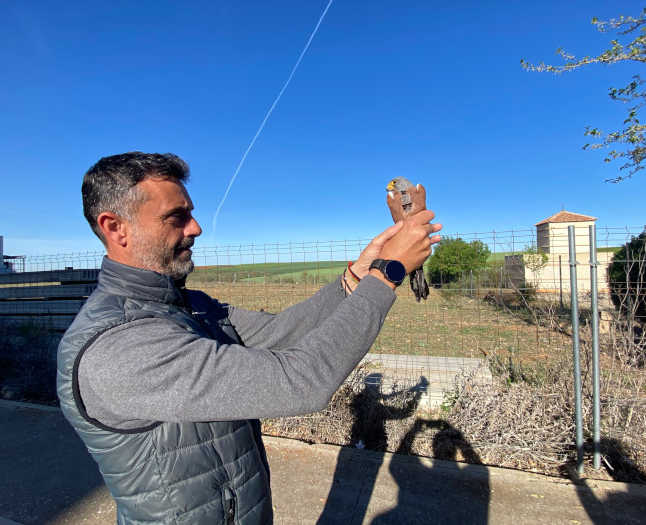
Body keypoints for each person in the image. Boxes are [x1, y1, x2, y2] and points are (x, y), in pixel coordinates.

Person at [56, 151, 442, 525]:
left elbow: (279, 333)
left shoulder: (190, 306)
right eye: (177, 216)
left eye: (191, 212)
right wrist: (387, 273)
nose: (196, 227)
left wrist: (358, 276)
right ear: (115, 227)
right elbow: (301, 380)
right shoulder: (118, 347)